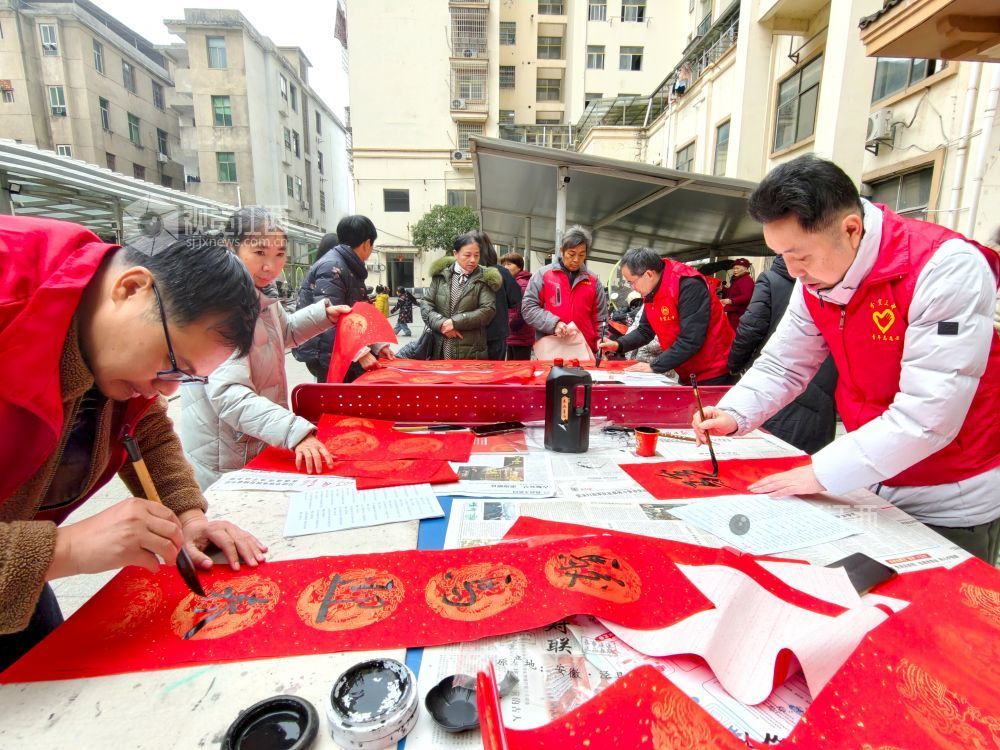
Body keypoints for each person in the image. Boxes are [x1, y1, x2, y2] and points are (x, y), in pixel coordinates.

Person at [693, 155, 1000, 563]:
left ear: (851, 230)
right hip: (869, 479)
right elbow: (784, 363)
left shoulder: (943, 269)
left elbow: (930, 415)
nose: (793, 270)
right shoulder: (817, 279)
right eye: (781, 255)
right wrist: (734, 411)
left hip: (949, 493)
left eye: (800, 255)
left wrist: (820, 472)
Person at [0, 215, 267, 670]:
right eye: (170, 364)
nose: (166, 390)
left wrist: (186, 514)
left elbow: (141, 425)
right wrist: (66, 550)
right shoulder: (14, 301)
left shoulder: (107, 340)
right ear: (131, 289)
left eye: (186, 377)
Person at [179, 208, 351, 490]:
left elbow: (285, 333)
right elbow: (228, 395)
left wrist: (324, 315)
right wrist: (293, 431)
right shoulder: (222, 307)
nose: (271, 266)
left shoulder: (260, 296)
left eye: (280, 254)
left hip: (252, 438)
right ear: (231, 247)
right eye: (259, 253)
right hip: (226, 456)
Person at [727, 255, 838, 454]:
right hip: (814, 381)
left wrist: (734, 365)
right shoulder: (815, 284)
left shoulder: (770, 279)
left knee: (768, 454)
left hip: (780, 379)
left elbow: (750, 327)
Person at [598, 247, 734, 383]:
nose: (632, 288)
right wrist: (618, 344)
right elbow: (645, 331)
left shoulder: (687, 284)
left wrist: (654, 366)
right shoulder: (652, 288)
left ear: (649, 274)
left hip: (713, 370)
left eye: (631, 282)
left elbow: (691, 339)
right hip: (686, 369)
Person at [292, 215, 393, 382]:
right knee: (335, 402)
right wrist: (360, 353)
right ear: (367, 243)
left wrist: (377, 345)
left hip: (342, 350)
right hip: (327, 352)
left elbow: (358, 315)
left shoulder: (348, 266)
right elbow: (327, 318)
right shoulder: (332, 268)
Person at [521, 226, 609, 354]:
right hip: (551, 348)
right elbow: (528, 307)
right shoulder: (543, 274)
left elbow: (601, 318)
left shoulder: (593, 281)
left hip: (584, 349)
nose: (576, 260)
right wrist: (554, 323)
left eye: (581, 255)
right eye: (571, 254)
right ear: (562, 251)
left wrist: (602, 346)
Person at [420, 232, 500, 360]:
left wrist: (454, 322)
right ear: (455, 254)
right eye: (467, 255)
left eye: (477, 255)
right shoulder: (440, 275)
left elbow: (488, 310)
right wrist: (441, 324)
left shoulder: (485, 278)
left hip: (472, 350)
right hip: (441, 344)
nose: (473, 260)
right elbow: (426, 303)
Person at [476, 231, 523, 361]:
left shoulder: (466, 272)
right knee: (495, 373)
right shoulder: (502, 272)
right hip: (496, 332)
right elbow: (515, 299)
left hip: (468, 334)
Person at [501, 252, 534, 360]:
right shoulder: (513, 282)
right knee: (512, 368)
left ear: (519, 266)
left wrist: (511, 326)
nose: (505, 267)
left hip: (520, 335)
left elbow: (523, 310)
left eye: (509, 264)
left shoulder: (521, 284)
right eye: (504, 264)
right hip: (513, 335)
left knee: (520, 369)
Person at [721, 258, 754, 331]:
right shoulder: (738, 279)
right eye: (734, 268)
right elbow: (732, 293)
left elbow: (747, 296)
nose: (735, 270)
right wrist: (722, 289)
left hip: (739, 314)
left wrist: (731, 301)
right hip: (733, 313)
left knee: (734, 334)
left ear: (745, 269)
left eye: (737, 268)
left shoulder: (746, 280)